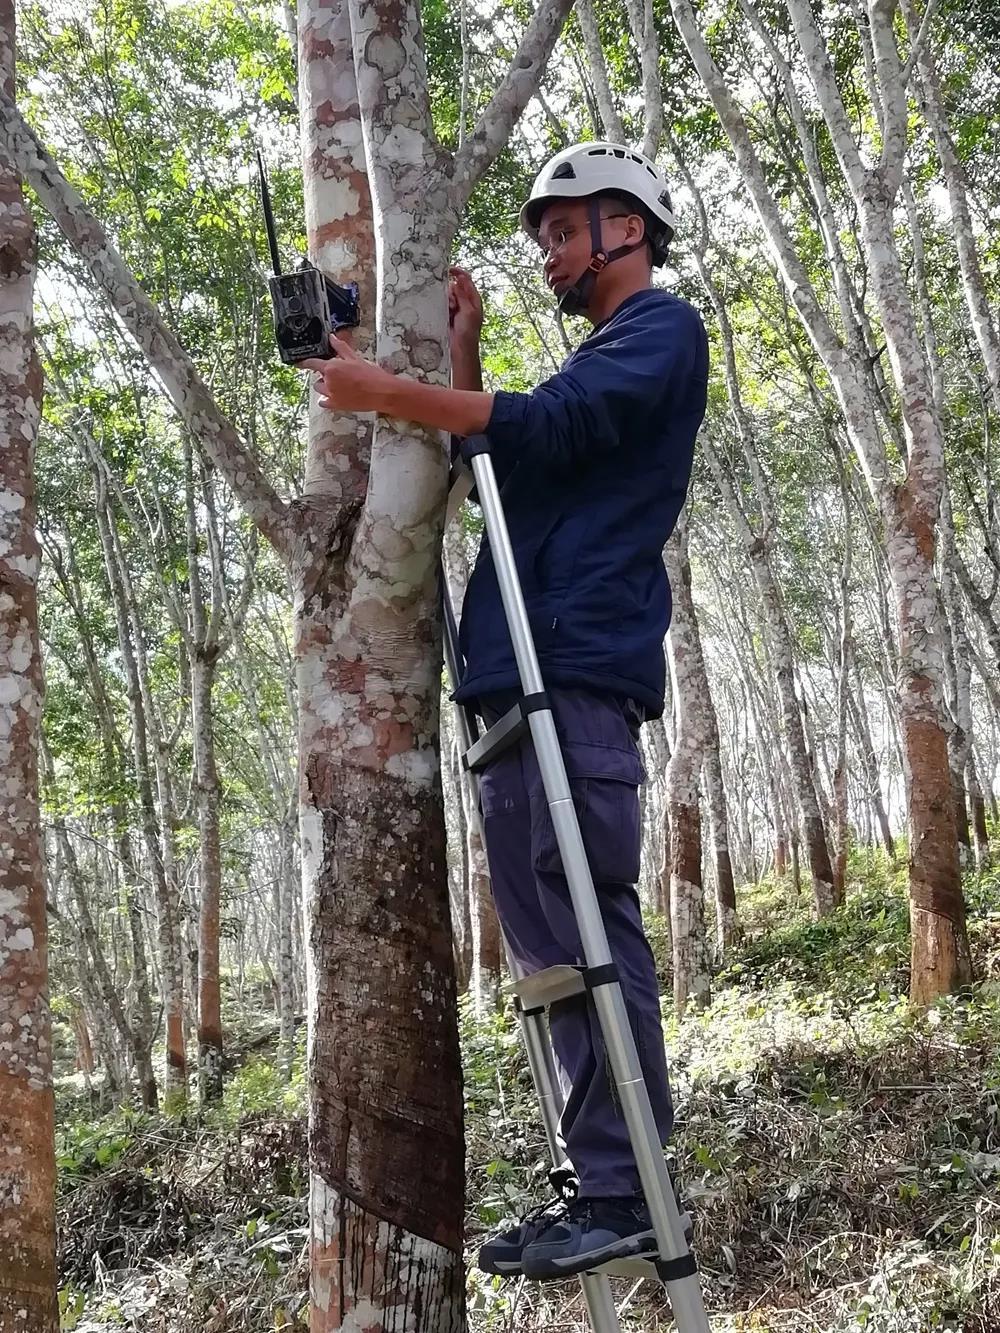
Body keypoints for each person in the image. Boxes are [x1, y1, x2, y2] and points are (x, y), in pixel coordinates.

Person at [301, 142, 709, 1280]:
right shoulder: (599, 353)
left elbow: (553, 425)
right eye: (541, 236)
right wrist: (460, 351)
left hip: (571, 668)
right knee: (548, 951)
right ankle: (602, 1180)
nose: (548, 252)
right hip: (513, 679)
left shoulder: (659, 329)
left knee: (586, 932)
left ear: (625, 225)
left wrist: (386, 388)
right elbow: (505, 455)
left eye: (562, 230)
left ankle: (629, 1188)